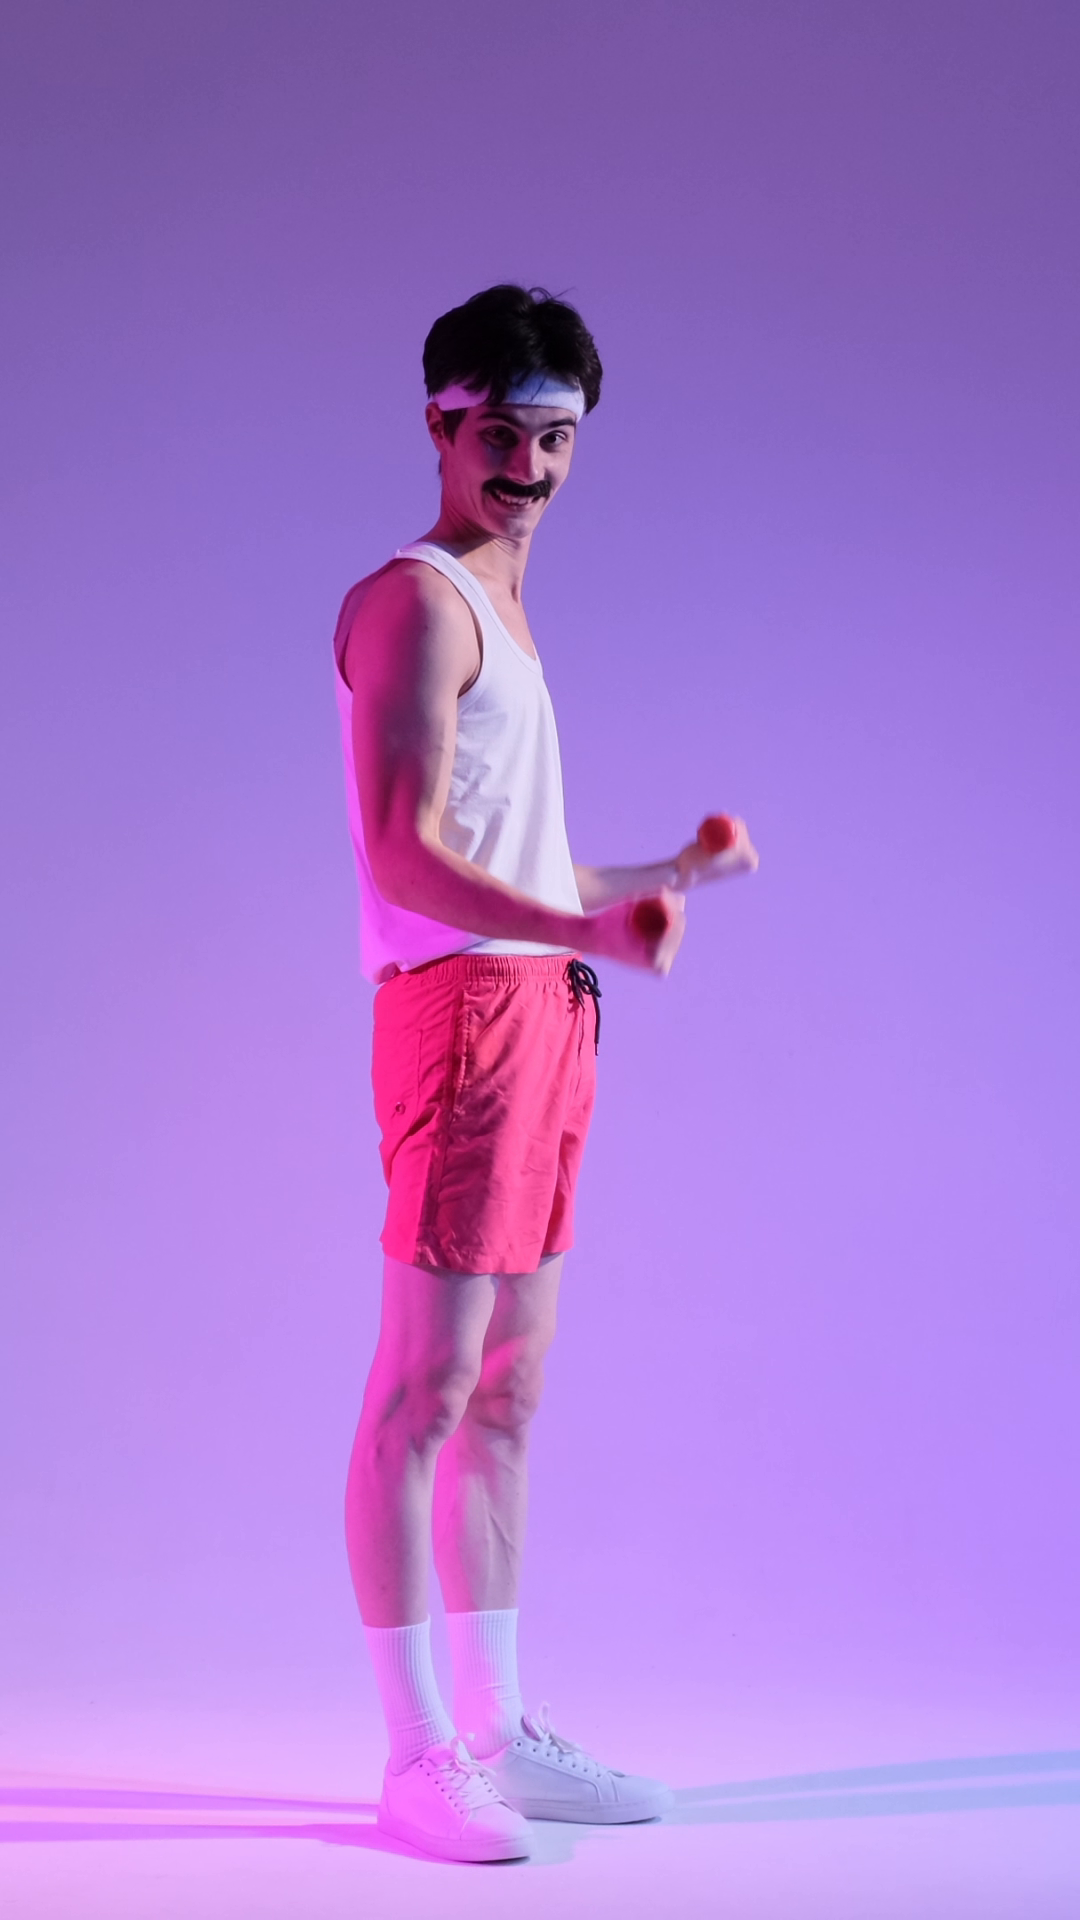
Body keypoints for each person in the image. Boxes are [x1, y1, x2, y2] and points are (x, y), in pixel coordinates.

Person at [331, 284, 758, 1863]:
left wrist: (661, 880)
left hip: (545, 1014)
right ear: (440, 424)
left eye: (555, 438)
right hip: (463, 1016)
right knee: (423, 1392)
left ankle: (500, 1731)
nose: (527, 465)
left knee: (507, 1390)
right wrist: (587, 927)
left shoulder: (506, 618)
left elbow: (514, 863)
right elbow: (402, 858)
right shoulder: (419, 603)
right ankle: (415, 1757)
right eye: (499, 432)